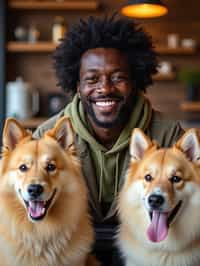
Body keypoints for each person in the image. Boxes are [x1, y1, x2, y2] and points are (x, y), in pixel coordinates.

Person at [33, 15, 184, 266]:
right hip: (69, 250)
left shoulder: (168, 136)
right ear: (77, 85)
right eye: (92, 79)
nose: (105, 88)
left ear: (135, 81)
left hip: (148, 250)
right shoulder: (47, 138)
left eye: (118, 78)